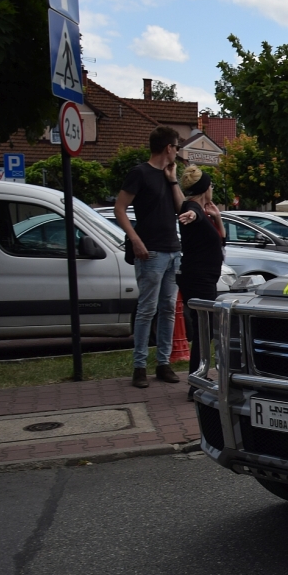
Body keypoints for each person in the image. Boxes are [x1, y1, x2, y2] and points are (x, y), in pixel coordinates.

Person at [115, 126, 194, 389]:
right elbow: (120, 207)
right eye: (176, 147)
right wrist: (135, 239)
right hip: (151, 251)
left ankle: (163, 363)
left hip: (172, 249)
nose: (177, 152)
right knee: (147, 309)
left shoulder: (167, 174)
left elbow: (181, 207)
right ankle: (139, 366)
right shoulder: (140, 173)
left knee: (169, 309)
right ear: (168, 148)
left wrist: (172, 180)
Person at [176, 165, 225, 401]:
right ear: (205, 187)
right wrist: (195, 216)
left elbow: (220, 241)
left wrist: (217, 218)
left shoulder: (203, 210)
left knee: (205, 328)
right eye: (211, 185)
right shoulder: (191, 207)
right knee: (205, 328)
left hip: (205, 277)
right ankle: (197, 381)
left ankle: (198, 378)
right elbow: (190, 214)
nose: (212, 188)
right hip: (198, 278)